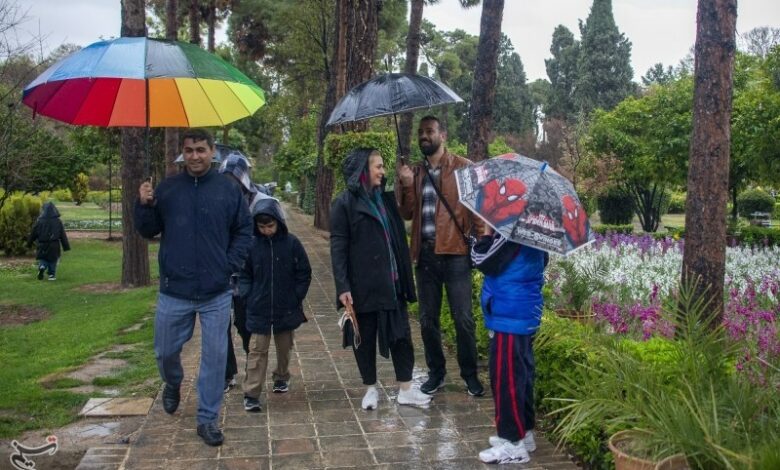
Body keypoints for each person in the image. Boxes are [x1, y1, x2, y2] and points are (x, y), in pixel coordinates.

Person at [135, 129, 253, 447]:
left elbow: (244, 230)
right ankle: (172, 382)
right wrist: (144, 204)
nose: (195, 156)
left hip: (216, 292)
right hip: (175, 289)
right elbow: (148, 230)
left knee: (215, 358)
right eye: (189, 150)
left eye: (201, 149)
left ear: (213, 152)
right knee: (164, 352)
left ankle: (207, 419)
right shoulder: (169, 189)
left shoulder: (228, 190)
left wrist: (230, 264)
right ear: (182, 154)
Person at [330, 148, 431, 410]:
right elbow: (338, 247)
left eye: (383, 166)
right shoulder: (344, 204)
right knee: (363, 339)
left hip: (392, 282)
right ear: (363, 169)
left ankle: (406, 389)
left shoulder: (385, 200)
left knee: (401, 336)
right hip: (362, 286)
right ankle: (370, 389)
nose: (383, 171)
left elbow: (408, 210)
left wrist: (407, 182)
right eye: (378, 166)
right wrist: (342, 286)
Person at [397, 115, 486, 396]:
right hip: (424, 256)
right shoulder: (414, 171)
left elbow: (477, 211)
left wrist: (482, 244)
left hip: (456, 254)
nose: (424, 136)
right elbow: (406, 213)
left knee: (463, 319)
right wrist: (407, 184)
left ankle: (470, 375)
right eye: (421, 132)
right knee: (427, 320)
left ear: (442, 135)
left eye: (430, 131)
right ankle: (436, 373)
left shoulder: (463, 168)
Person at [471, 227, 546, 464]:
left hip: (509, 313)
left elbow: (482, 260)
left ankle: (512, 442)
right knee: (521, 373)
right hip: (521, 311)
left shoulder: (513, 231)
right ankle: (524, 432)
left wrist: (484, 235)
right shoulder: (537, 230)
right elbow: (542, 261)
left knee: (507, 379)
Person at [239, 197, 312, 412]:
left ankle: (281, 376)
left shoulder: (292, 243)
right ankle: (251, 393)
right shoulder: (251, 246)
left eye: (270, 226)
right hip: (258, 307)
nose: (267, 231)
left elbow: (304, 272)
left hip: (286, 307)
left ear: (278, 222)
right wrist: (248, 295)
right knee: (257, 351)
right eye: (262, 227)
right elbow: (243, 274)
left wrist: (296, 296)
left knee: (284, 348)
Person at [219, 153, 257, 392]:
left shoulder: (257, 203)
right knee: (220, 327)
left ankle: (254, 370)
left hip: (247, 275)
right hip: (221, 275)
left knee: (245, 325)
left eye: (235, 181)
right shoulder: (214, 202)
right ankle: (226, 373)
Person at [28, 201, 70, 281]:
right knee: (53, 260)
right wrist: (66, 246)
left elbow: (34, 232)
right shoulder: (58, 221)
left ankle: (42, 266)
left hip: (42, 244)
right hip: (54, 244)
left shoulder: (40, 221)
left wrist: (29, 242)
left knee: (43, 258)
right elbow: (62, 234)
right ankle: (52, 275)